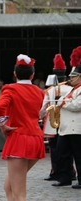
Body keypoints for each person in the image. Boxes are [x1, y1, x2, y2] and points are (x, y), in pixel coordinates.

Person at [0, 54, 45, 201]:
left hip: (19, 139)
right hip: (35, 138)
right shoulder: (39, 91)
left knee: (19, 194)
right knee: (8, 187)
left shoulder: (11, 89)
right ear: (32, 74)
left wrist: (2, 124)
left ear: (15, 73)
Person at [39, 53, 76, 182]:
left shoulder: (49, 90)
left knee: (55, 150)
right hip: (69, 122)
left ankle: (56, 172)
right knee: (71, 150)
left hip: (52, 123)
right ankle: (71, 171)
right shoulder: (72, 89)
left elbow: (43, 109)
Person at [52, 46, 81, 189]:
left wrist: (63, 102)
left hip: (77, 127)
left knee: (79, 156)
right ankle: (64, 177)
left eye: (73, 76)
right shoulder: (72, 89)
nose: (71, 78)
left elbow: (77, 105)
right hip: (65, 127)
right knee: (62, 155)